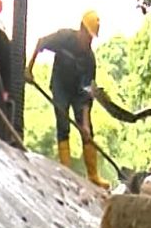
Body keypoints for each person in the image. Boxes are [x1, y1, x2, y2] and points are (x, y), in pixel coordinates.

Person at [25, 10, 110, 189]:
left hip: (79, 94)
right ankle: (66, 170)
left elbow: (88, 95)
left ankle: (93, 175)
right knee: (63, 123)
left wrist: (85, 125)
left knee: (88, 132)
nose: (89, 40)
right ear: (81, 29)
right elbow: (41, 43)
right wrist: (29, 69)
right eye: (88, 35)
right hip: (60, 87)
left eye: (92, 37)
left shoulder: (89, 60)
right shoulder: (64, 37)